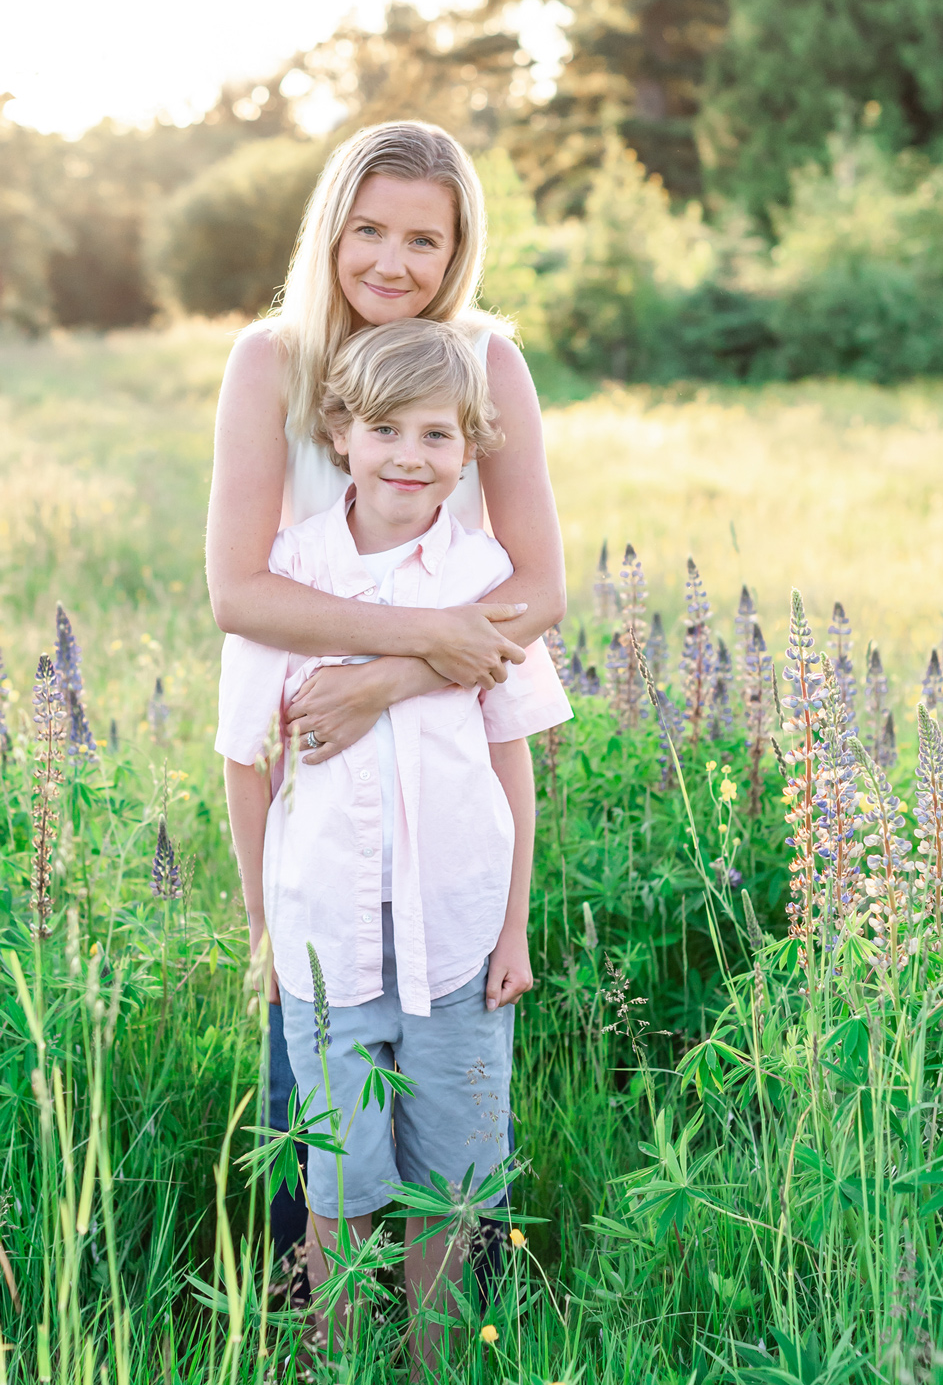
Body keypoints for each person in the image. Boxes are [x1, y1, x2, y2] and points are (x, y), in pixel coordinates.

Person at [204, 119, 567, 1266]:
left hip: (449, 758)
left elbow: (539, 585)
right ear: (330, 231)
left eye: (424, 238)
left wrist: (399, 679)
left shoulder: (486, 359)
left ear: (458, 247)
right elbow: (240, 590)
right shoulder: (271, 359)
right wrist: (383, 668)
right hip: (317, 779)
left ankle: (449, 1327)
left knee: (452, 1133)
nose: (392, 264)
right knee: (324, 1123)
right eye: (367, 231)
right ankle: (317, 1329)